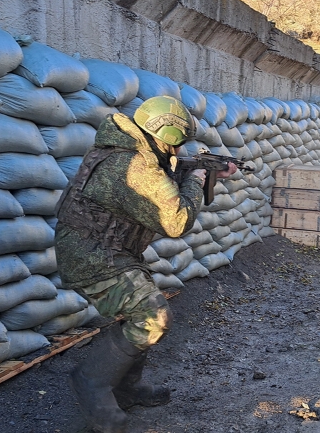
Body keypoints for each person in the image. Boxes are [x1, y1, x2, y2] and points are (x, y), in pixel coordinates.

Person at [54, 95, 237, 433]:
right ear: (165, 135)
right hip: (91, 256)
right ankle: (91, 382)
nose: (178, 153)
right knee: (153, 316)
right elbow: (177, 220)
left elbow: (163, 170)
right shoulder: (134, 165)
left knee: (138, 312)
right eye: (177, 145)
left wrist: (205, 169)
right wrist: (197, 178)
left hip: (108, 249)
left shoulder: (132, 149)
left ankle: (126, 388)